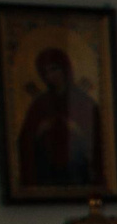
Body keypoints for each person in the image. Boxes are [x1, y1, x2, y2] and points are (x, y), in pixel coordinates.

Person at [17, 46, 101, 188]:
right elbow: (25, 140)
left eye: (54, 69)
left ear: (65, 69)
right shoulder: (40, 103)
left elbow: (99, 139)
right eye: (46, 72)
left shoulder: (82, 101)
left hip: (77, 167)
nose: (51, 75)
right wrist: (40, 130)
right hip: (46, 168)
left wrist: (76, 130)